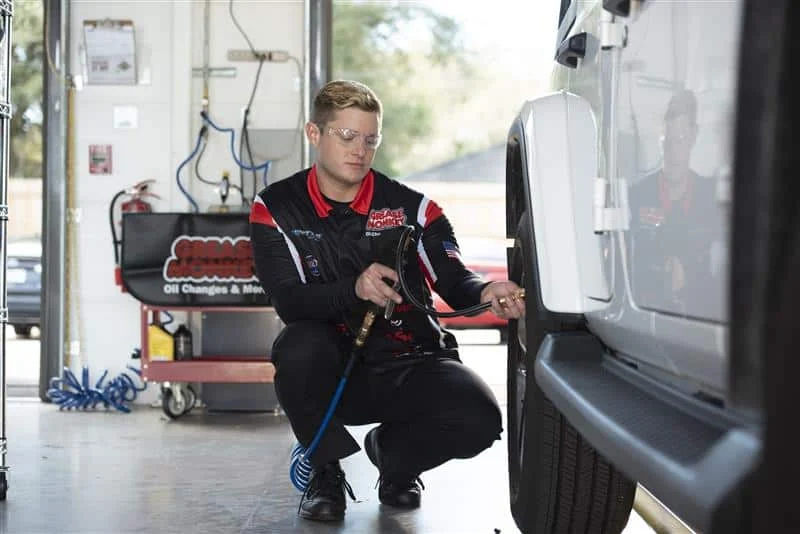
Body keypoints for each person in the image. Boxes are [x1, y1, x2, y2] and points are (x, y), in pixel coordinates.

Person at [249, 79, 525, 522]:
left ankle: (395, 462)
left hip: (411, 361)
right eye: (347, 136)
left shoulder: (413, 209)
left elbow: (454, 279)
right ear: (314, 134)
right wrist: (353, 289)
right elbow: (289, 301)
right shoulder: (276, 207)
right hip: (334, 372)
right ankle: (325, 472)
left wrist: (484, 292)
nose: (360, 149)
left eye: (370, 139)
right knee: (296, 347)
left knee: (480, 419)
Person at [628, 88, 723, 317]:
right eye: (667, 140)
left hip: (698, 326)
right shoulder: (636, 196)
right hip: (646, 322)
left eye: (680, 139)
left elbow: (722, 273)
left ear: (693, 136)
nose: (673, 150)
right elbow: (624, 272)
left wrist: (687, 273)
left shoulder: (712, 198)